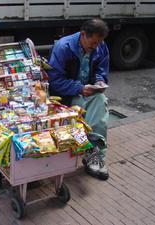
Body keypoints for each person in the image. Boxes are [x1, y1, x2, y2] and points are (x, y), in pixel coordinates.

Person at [47, 19, 110, 180]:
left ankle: (95, 154)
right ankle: (90, 151)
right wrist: (79, 88)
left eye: (99, 43)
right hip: (66, 95)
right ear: (83, 35)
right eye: (93, 43)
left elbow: (102, 70)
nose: (95, 47)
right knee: (94, 106)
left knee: (100, 101)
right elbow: (54, 81)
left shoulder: (100, 46)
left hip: (87, 92)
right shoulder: (63, 47)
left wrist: (99, 81)